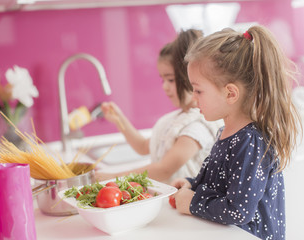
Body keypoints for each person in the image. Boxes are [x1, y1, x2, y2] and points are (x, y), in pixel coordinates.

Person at [171, 25, 302, 240]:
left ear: (230, 93)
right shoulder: (228, 133)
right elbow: (220, 184)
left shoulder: (250, 142)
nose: (193, 98)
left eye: (199, 90)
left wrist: (192, 203)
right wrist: (192, 184)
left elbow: (238, 210)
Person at [95, 29, 222, 183]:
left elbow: (164, 169)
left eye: (170, 80)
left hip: (182, 203)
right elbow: (143, 147)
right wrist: (118, 120)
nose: (164, 87)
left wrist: (111, 177)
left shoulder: (198, 126)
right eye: (163, 80)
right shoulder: (177, 120)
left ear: (189, 77)